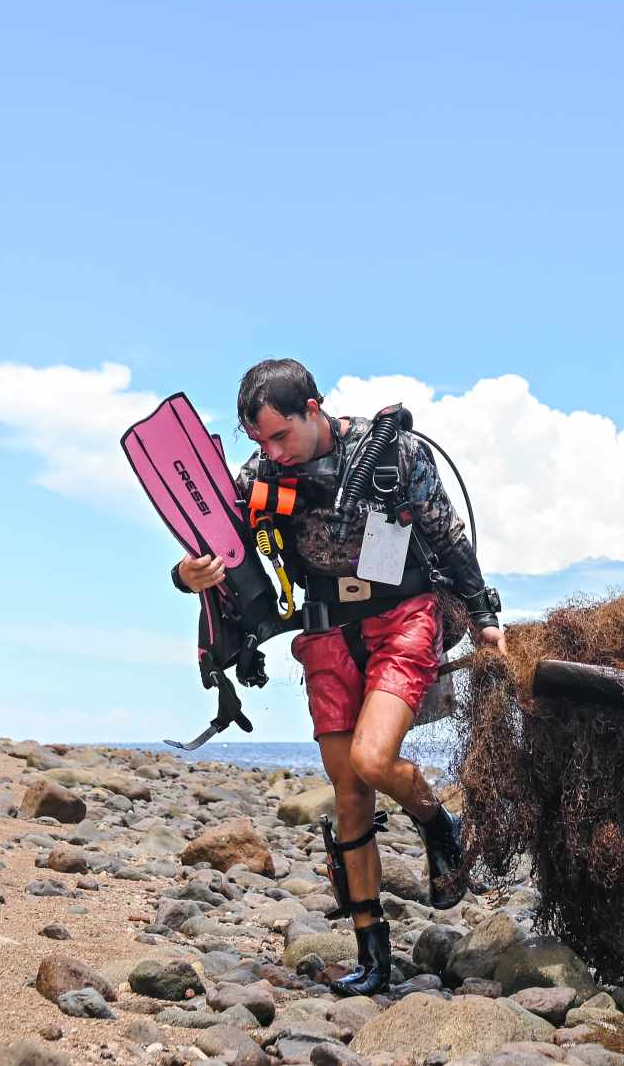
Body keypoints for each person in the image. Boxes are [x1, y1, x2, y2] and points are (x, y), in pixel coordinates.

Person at [173, 359, 505, 995]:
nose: (273, 453)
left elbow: (447, 535)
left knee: (374, 760)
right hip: (326, 633)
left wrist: (486, 616)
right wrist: (187, 575)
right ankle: (373, 959)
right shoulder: (261, 477)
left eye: (281, 436)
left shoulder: (395, 454)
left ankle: (439, 825)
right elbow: (208, 544)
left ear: (314, 408)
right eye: (259, 442)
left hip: (404, 617)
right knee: (349, 793)